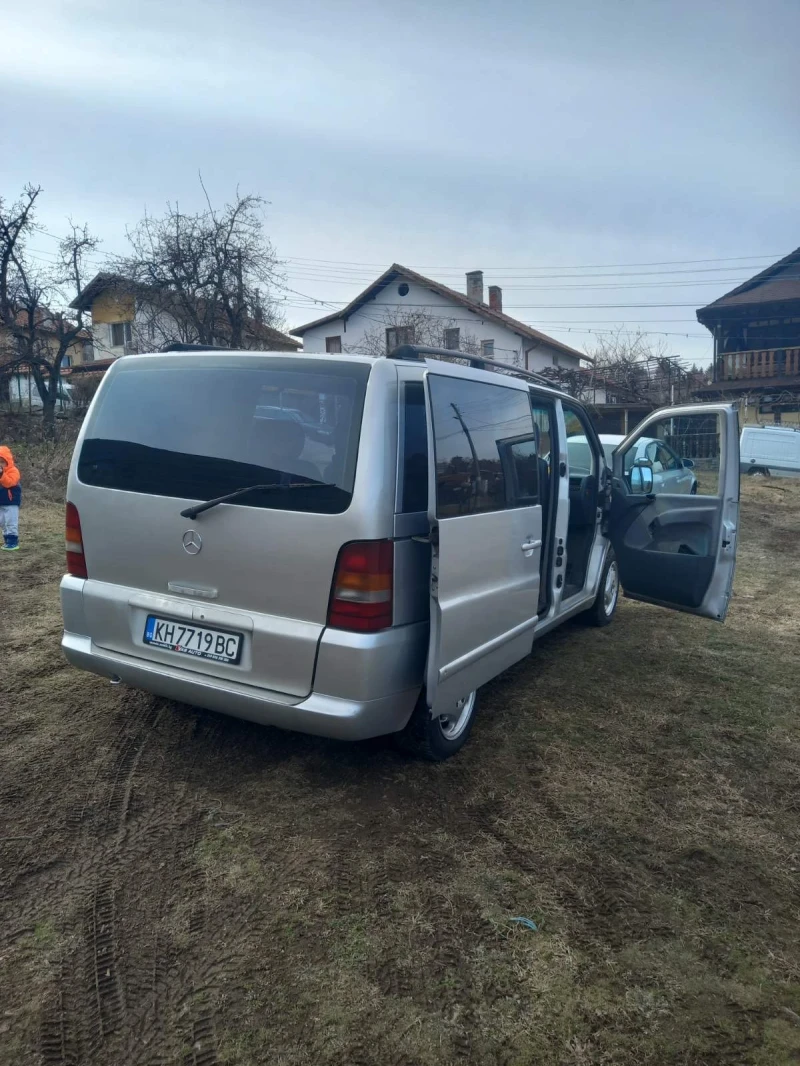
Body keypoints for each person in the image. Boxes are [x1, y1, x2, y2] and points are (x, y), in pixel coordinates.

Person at [0, 445, 21, 551]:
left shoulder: (13, 471)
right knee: (2, 522)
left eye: (2, 462)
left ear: (7, 461)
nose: (0, 465)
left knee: (11, 521)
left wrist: (1, 474)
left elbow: (9, 483)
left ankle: (13, 542)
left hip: (11, 502)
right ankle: (7, 540)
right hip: (1, 502)